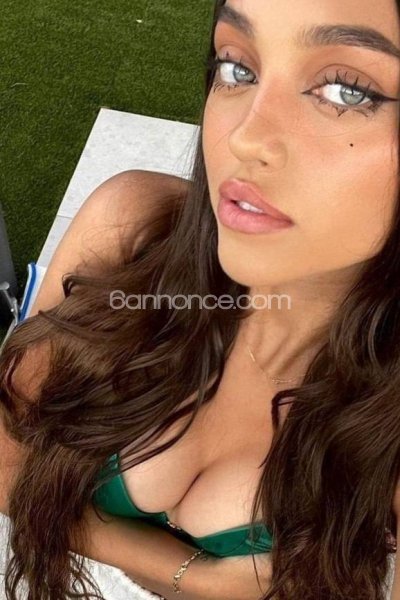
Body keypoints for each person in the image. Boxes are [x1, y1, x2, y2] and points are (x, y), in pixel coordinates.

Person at [1, 0, 400, 598]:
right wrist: (197, 576)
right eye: (237, 67)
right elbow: (4, 452)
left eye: (347, 90)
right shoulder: (134, 226)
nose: (244, 137)